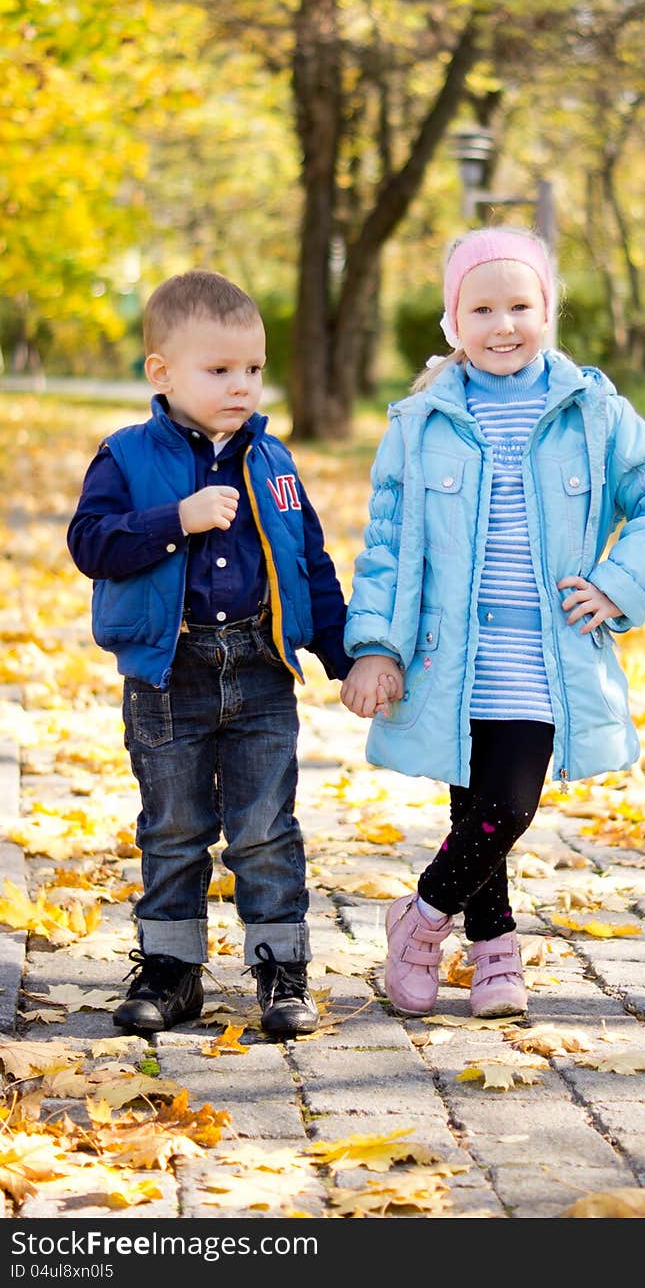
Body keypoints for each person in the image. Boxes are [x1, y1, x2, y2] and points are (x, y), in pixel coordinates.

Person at [340, 226, 645, 1020]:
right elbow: (390, 544)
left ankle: (421, 918)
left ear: (548, 309)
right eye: (483, 308)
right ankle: (496, 954)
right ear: (452, 321)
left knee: (512, 802)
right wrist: (374, 645)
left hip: (542, 650)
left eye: (521, 305)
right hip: (452, 650)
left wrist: (617, 582)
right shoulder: (421, 419)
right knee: (474, 807)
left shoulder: (593, 409)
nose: (504, 324)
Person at [68, 269, 401, 1038]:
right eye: (219, 370)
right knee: (175, 826)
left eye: (252, 368)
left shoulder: (273, 461)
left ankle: (281, 970)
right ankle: (171, 970)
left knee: (264, 826)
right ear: (163, 372)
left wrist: (344, 655)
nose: (241, 385)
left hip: (258, 668)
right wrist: (174, 519)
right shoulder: (124, 457)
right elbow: (90, 544)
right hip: (168, 673)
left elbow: (308, 563)